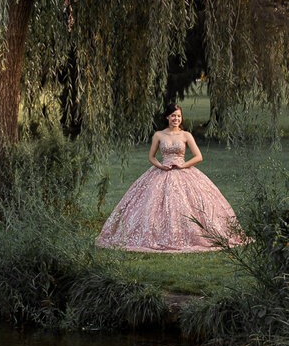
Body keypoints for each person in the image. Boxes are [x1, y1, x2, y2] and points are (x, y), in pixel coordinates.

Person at [95, 106, 247, 252]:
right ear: (167, 117)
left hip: (183, 171)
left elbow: (198, 156)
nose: (176, 118)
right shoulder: (159, 135)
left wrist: (183, 165)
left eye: (179, 116)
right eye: (173, 115)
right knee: (152, 204)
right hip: (162, 171)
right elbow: (151, 157)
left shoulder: (186, 135)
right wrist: (160, 166)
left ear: (181, 118)